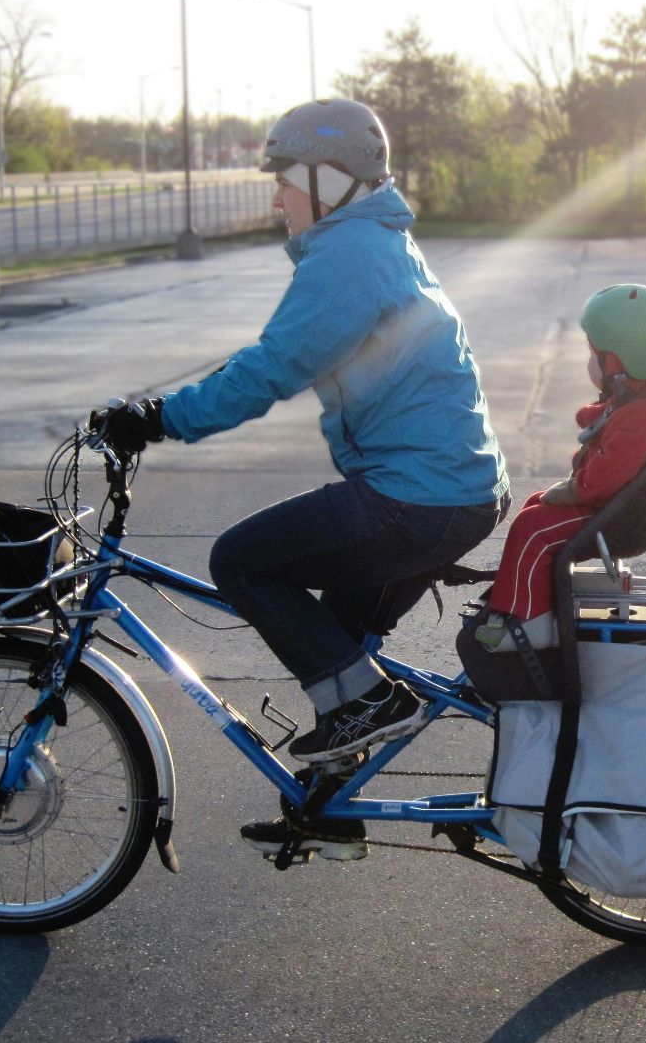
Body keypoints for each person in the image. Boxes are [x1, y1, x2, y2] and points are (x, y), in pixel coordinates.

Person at [93, 98, 507, 857]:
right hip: (448, 492)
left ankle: (372, 706)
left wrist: (157, 419)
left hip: (417, 498)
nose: (275, 196)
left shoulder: (349, 254)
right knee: (341, 652)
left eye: (284, 179)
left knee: (242, 563)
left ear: (329, 178)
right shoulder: (376, 240)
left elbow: (275, 366)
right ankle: (332, 806)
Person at [473, 284, 646, 652]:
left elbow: (607, 476)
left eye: (596, 355)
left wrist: (574, 490)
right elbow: (608, 428)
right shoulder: (644, 403)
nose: (591, 363)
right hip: (612, 508)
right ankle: (523, 592)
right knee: (537, 505)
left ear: (619, 364)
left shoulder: (643, 415)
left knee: (533, 528)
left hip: (612, 516)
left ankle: (525, 622)